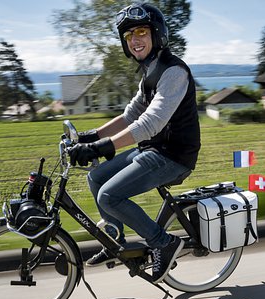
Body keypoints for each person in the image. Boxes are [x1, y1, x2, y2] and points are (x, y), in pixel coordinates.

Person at [67, 3, 201, 283]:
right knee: (96, 177)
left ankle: (164, 243)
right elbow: (130, 116)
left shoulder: (174, 72)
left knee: (109, 195)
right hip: (152, 150)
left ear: (157, 34)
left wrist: (104, 147)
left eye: (141, 31)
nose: (134, 39)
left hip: (173, 156)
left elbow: (151, 123)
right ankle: (116, 241)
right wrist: (89, 137)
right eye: (128, 35)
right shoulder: (149, 74)